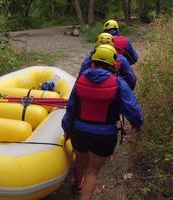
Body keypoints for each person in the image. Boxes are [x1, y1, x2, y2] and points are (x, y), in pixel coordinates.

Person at [62, 44, 143, 200]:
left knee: (80, 161)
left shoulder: (81, 79)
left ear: (92, 62)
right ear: (114, 65)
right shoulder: (118, 83)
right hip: (104, 135)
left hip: (79, 132)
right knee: (92, 171)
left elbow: (71, 108)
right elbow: (132, 109)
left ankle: (77, 185)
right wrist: (137, 124)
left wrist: (66, 129)